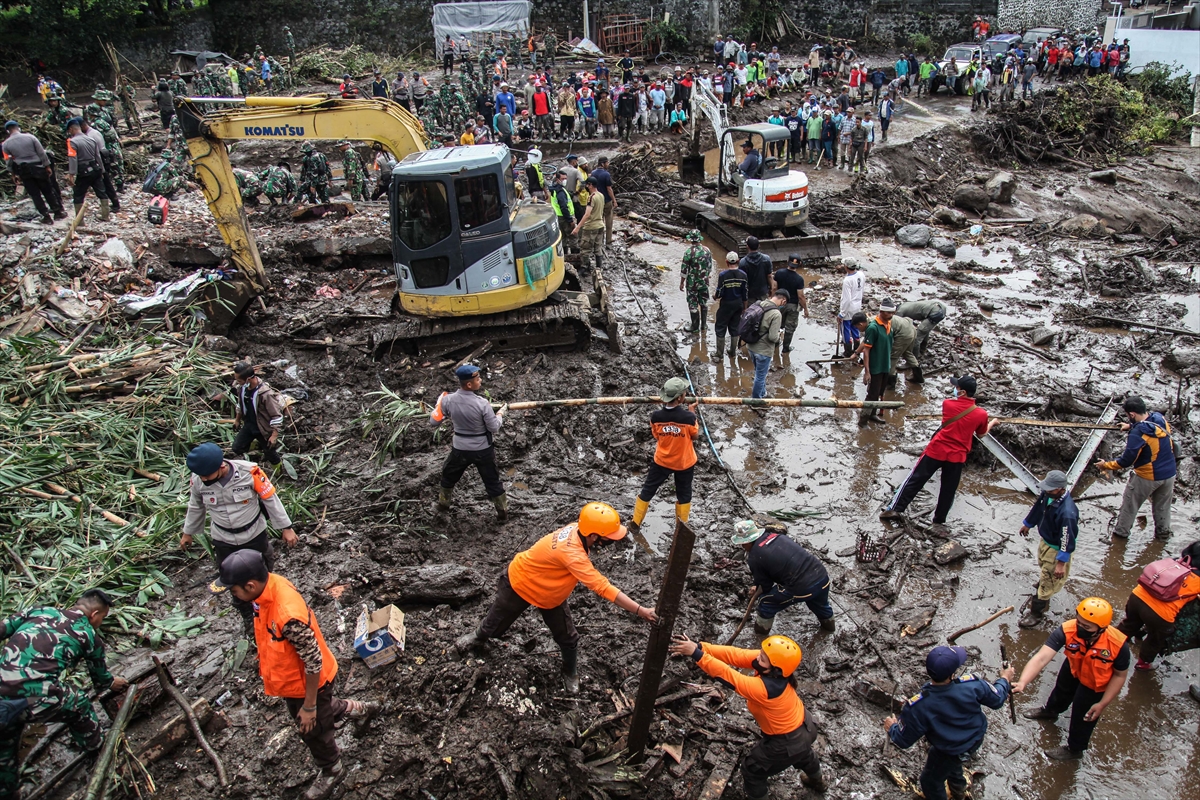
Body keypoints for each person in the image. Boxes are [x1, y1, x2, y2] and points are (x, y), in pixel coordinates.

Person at [213, 550, 379, 800]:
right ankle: (361, 710)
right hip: (295, 681)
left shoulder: (286, 614)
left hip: (309, 685)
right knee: (324, 711)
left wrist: (310, 706)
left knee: (314, 730)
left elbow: (313, 661)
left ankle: (333, 769)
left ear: (250, 585)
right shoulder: (267, 587)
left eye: (233, 591)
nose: (233, 596)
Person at [455, 503, 658, 693]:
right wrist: (641, 610)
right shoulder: (572, 554)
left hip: (551, 593)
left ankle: (570, 672)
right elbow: (603, 588)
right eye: (609, 537)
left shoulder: (578, 528)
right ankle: (477, 636)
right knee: (495, 625)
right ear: (594, 536)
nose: (612, 541)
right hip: (520, 581)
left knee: (568, 638)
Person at [0, 592, 130, 800]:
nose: (100, 622)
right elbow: (101, 681)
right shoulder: (88, 635)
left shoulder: (39, 611)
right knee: (80, 703)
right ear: (94, 614)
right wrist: (114, 682)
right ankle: (97, 748)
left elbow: (2, 628)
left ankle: (7, 792)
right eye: (103, 618)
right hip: (33, 698)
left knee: (6, 741)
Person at [669, 633, 825, 800]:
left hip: (785, 742)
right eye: (761, 653)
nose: (758, 657)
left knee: (752, 771)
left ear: (775, 668)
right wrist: (700, 647)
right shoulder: (772, 667)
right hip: (806, 727)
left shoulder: (764, 689)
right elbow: (735, 654)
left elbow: (728, 676)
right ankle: (817, 781)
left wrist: (696, 654)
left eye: (763, 658)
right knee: (804, 753)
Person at [182, 441, 296, 635]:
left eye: (207, 475)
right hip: (223, 538)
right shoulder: (199, 480)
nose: (204, 479)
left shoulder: (250, 472)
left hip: (253, 534)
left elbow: (270, 500)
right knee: (232, 580)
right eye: (201, 476)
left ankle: (271, 612)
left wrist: (286, 528)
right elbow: (196, 506)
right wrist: (188, 533)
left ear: (221, 467)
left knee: (263, 575)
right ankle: (248, 618)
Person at [884, 645, 1013, 800]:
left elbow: (904, 740)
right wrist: (1005, 679)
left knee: (930, 781)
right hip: (974, 739)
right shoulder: (973, 685)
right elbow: (998, 699)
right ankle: (959, 789)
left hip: (948, 748)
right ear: (952, 674)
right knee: (953, 762)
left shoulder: (918, 706)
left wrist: (892, 727)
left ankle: (954, 789)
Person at [1013, 597, 1130, 761]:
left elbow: (1119, 676)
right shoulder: (1068, 630)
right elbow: (1042, 657)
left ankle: (1075, 748)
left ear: (1101, 628)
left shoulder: (1117, 645)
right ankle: (1051, 711)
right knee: (1061, 691)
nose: (1080, 628)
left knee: (1085, 715)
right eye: (1079, 622)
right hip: (1074, 667)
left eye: (1086, 626)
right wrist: (1023, 681)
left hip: (1095, 683)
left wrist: (1103, 703)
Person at [881, 375, 994, 535]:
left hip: (937, 450)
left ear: (961, 392)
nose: (954, 389)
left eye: (956, 388)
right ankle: (939, 521)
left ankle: (896, 509)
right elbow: (981, 434)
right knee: (948, 489)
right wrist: (992, 423)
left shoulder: (948, 404)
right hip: (957, 456)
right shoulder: (981, 414)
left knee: (916, 479)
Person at [430, 364, 508, 520]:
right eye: (478, 378)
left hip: (460, 449)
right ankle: (502, 512)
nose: (480, 380)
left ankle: (443, 504)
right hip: (482, 450)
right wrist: (500, 414)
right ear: (469, 384)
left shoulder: (447, 400)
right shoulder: (482, 403)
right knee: (492, 480)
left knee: (449, 475)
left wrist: (438, 406)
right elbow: (494, 428)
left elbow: (434, 422)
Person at [1094, 395, 1176, 542]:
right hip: (1169, 474)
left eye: (1128, 416)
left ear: (1132, 414)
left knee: (1130, 506)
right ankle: (1163, 537)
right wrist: (1130, 426)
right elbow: (1149, 427)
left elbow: (1126, 461)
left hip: (1147, 477)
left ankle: (1119, 538)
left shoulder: (1138, 434)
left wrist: (1105, 465)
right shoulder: (1159, 418)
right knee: (1163, 508)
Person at [732, 519, 835, 635]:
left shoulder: (755, 556)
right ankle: (830, 630)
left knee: (766, 602)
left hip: (803, 587)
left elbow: (765, 586)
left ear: (746, 542)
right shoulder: (777, 537)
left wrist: (757, 588)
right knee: (820, 605)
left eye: (742, 544)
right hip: (821, 576)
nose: (742, 546)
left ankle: (760, 636)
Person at [629, 378, 700, 534]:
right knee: (684, 494)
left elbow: (656, 435)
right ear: (681, 397)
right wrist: (692, 411)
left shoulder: (656, 417)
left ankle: (635, 523)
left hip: (662, 460)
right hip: (684, 462)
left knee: (648, 489)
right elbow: (695, 436)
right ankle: (681, 528)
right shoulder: (688, 418)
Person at [1116, 540, 1200, 670]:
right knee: (1155, 639)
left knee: (1129, 623)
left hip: (1136, 597)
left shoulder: (1174, 561)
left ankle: (1113, 644)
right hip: (1159, 615)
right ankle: (1143, 663)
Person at [1017, 470, 1080, 628]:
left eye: (1050, 489)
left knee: (1048, 579)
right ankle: (1044, 582)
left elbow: (1067, 539)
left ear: (1060, 489)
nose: (1046, 491)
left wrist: (1061, 562)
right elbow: (1038, 509)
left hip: (1057, 548)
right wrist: (1028, 524)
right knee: (1043, 565)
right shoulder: (1048, 495)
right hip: (1046, 540)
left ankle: (1036, 613)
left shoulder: (1067, 513)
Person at [3, 121, 64, 224]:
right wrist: (47, 166)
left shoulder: (6, 144)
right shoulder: (30, 137)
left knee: (35, 195)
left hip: (24, 171)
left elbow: (9, 162)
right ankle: (58, 212)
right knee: (48, 191)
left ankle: (46, 216)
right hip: (38, 168)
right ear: (18, 128)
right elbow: (41, 153)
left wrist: (13, 174)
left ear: (8, 131)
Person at [231, 361, 285, 464]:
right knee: (237, 448)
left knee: (271, 454)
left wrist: (274, 435)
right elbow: (240, 405)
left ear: (248, 379)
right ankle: (253, 454)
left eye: (239, 380)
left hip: (263, 429)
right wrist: (237, 420)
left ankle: (278, 469)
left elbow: (276, 416)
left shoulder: (265, 394)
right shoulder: (242, 388)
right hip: (249, 425)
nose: (236, 382)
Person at [854, 298, 895, 425]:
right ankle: (863, 420)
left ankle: (872, 415)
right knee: (872, 394)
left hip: (884, 365)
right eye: (889, 313)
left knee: (879, 392)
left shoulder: (888, 324)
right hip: (875, 367)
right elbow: (866, 351)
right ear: (882, 312)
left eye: (893, 313)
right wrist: (867, 372)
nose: (891, 315)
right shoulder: (873, 328)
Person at [65, 118, 110, 221]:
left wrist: (71, 174)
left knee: (78, 195)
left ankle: (79, 221)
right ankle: (105, 216)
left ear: (71, 129)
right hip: (96, 169)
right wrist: (102, 170)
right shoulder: (91, 139)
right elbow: (97, 156)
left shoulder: (72, 142)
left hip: (83, 171)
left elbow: (73, 158)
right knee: (101, 192)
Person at [746, 290, 787, 399]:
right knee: (760, 376)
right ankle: (756, 400)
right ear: (783, 301)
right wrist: (780, 336)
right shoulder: (776, 314)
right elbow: (772, 337)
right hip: (763, 350)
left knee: (759, 373)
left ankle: (763, 393)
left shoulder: (758, 304)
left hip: (751, 346)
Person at [714, 251, 749, 359]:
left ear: (726, 262)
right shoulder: (743, 275)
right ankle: (732, 351)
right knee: (734, 327)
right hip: (738, 304)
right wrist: (745, 307)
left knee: (720, 327)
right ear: (738, 261)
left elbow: (720, 292)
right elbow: (745, 293)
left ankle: (719, 354)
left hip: (726, 304)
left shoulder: (723, 275)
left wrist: (715, 296)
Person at [772, 254, 809, 352]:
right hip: (792, 306)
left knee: (776, 324)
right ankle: (785, 348)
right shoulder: (799, 279)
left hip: (779, 303)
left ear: (787, 261)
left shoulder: (779, 273)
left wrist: (772, 301)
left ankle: (775, 345)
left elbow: (774, 288)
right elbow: (800, 296)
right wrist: (805, 309)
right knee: (790, 328)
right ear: (800, 264)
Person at [680, 231, 713, 333]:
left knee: (693, 304)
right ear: (699, 238)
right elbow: (710, 266)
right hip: (704, 282)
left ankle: (694, 327)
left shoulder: (689, 252)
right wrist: (706, 276)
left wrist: (681, 283)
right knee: (704, 303)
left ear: (691, 239)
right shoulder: (707, 250)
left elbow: (684, 270)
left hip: (692, 284)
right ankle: (704, 325)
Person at [572, 177, 605, 271]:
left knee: (585, 249)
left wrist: (577, 228)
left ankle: (584, 268)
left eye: (587, 185)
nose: (585, 186)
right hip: (600, 225)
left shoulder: (591, 197)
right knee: (598, 247)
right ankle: (599, 268)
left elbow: (587, 214)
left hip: (590, 227)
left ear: (590, 185)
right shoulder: (601, 195)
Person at [836, 259, 864, 357]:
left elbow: (847, 299)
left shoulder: (847, 280)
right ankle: (856, 349)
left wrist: (842, 313)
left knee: (846, 329)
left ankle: (847, 351)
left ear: (846, 267)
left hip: (849, 307)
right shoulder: (861, 274)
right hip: (857, 305)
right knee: (855, 327)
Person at [887, 312, 920, 386]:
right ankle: (918, 377)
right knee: (907, 352)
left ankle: (891, 384)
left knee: (892, 357)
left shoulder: (873, 324)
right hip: (911, 329)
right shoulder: (880, 318)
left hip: (904, 334)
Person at [590, 156, 616, 246]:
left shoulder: (593, 173)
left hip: (597, 201)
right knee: (609, 220)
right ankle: (608, 240)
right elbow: (609, 189)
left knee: (599, 221)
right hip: (606, 200)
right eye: (607, 163)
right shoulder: (606, 174)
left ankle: (599, 240)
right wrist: (614, 200)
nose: (608, 164)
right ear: (603, 163)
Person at [548, 168, 575, 252]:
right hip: (564, 217)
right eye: (563, 179)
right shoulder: (560, 191)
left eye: (566, 179)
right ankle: (575, 257)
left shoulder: (554, 188)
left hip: (558, 216)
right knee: (573, 237)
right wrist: (570, 220)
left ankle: (565, 256)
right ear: (558, 179)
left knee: (562, 238)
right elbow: (564, 207)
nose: (565, 180)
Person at [739, 236, 773, 302]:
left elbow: (742, 280)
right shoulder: (766, 259)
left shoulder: (743, 262)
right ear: (759, 246)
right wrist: (771, 288)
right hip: (763, 293)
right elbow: (769, 276)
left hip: (750, 295)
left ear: (747, 246)